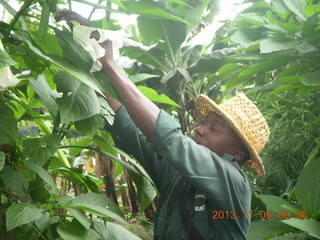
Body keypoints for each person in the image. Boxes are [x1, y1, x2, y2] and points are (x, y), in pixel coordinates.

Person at [56, 11, 270, 240]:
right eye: (204, 122)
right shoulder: (179, 172)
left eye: (214, 129)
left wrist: (110, 64)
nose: (200, 129)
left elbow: (170, 138)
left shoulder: (234, 183)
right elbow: (129, 126)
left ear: (236, 154)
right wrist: (89, 46)